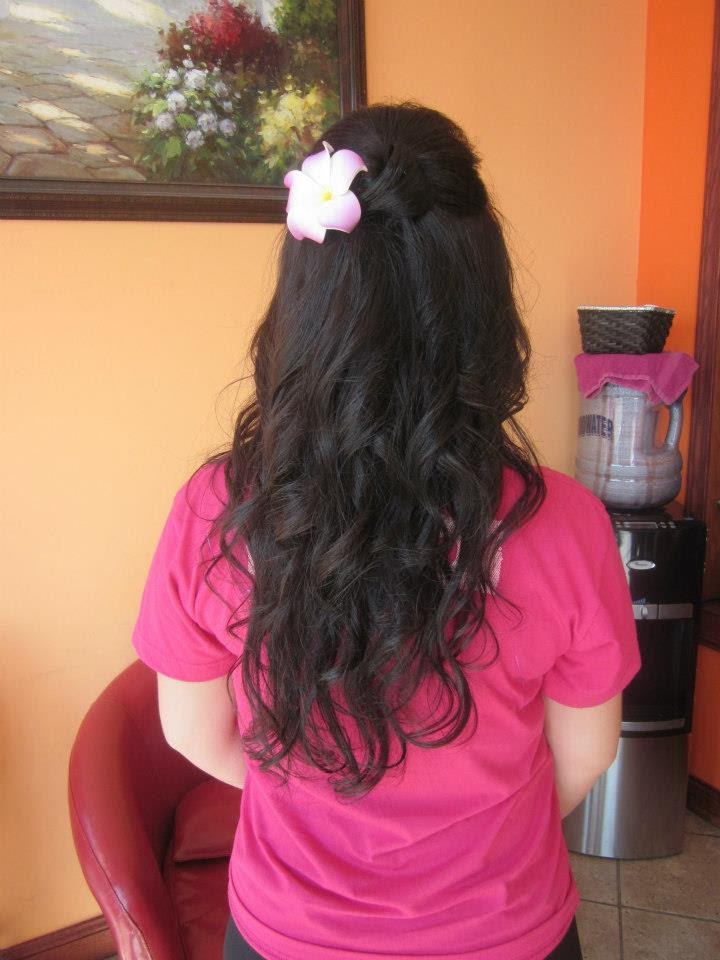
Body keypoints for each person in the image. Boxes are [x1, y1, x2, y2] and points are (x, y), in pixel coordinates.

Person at [132, 102, 640, 960]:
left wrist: (319, 813)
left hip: (286, 933)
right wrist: (478, 833)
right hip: (506, 931)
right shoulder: (566, 525)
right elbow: (585, 757)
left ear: (305, 302)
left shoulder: (218, 511)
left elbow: (192, 732)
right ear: (483, 303)